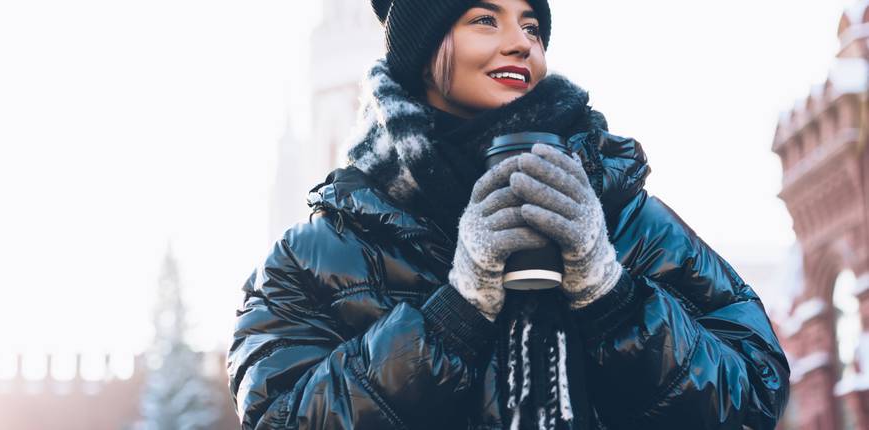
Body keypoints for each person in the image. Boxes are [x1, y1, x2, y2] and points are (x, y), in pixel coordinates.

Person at [227, 0, 790, 428]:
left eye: (531, 26)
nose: (521, 43)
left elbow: (756, 394)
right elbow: (279, 416)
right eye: (485, 20)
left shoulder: (622, 214)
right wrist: (452, 316)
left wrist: (613, 297)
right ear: (422, 48)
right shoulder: (316, 252)